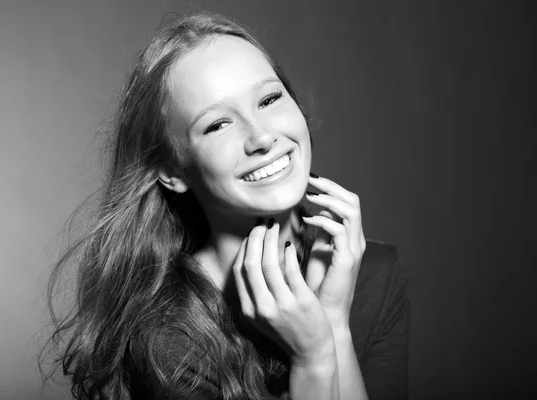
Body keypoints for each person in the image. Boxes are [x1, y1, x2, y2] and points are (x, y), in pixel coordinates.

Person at [41, 11, 410, 400]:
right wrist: (314, 357)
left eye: (269, 99)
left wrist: (335, 322)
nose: (262, 137)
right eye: (217, 124)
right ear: (172, 171)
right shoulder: (166, 337)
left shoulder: (373, 275)